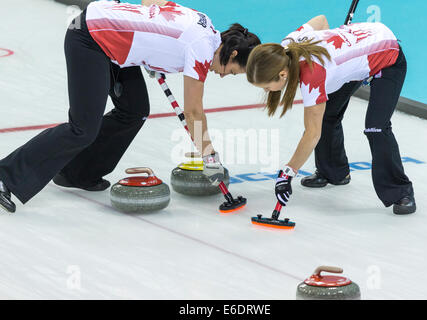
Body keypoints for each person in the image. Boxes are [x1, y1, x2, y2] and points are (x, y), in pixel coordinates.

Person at [0, 0, 260, 213]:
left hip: (113, 42)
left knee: (135, 110)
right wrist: (210, 156)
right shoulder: (202, 49)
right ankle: (6, 176)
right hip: (91, 38)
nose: (225, 75)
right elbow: (193, 111)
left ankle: (77, 174)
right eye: (234, 71)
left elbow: (152, 5)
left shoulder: (205, 25)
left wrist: (150, 50)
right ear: (233, 54)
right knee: (82, 128)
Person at [246, 15, 416, 215]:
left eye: (267, 86)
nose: (267, 91)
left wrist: (288, 173)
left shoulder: (312, 75)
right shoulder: (286, 46)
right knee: (326, 115)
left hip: (387, 57)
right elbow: (320, 20)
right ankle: (334, 173)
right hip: (357, 50)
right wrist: (334, 42)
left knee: (376, 127)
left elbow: (311, 133)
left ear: (282, 74)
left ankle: (401, 192)